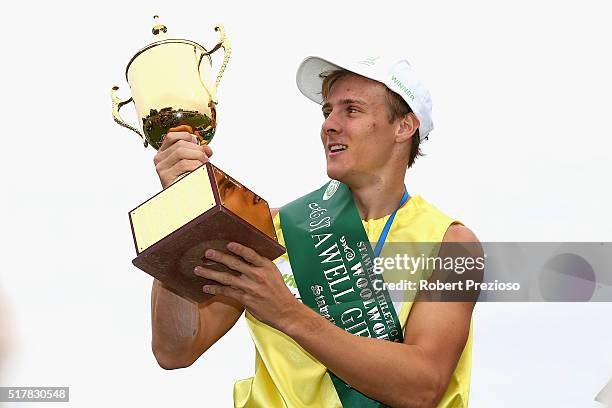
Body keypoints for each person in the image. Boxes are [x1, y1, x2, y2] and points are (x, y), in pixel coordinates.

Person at [150, 55, 482, 407]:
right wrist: (181, 209)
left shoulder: (450, 244)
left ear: (404, 127)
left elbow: (423, 387)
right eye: (327, 112)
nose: (330, 125)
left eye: (351, 110)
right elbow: (175, 350)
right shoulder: (271, 229)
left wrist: (287, 313)